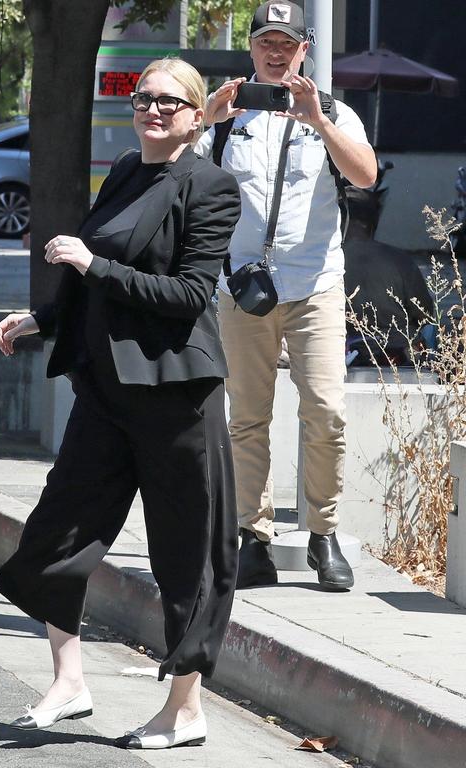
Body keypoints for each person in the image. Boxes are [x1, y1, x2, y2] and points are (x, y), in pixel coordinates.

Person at [0, 58, 241, 750]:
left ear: (196, 114)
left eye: (169, 102)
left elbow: (190, 295)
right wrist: (44, 317)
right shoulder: (128, 171)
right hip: (106, 388)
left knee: (186, 553)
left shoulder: (211, 186)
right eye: (142, 98)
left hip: (177, 396)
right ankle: (69, 680)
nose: (152, 110)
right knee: (57, 533)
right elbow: (91, 270)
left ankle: (185, 711)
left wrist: (92, 267)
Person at [196, 1, 377, 591]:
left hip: (315, 285)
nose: (276, 52)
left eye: (288, 43)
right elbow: (171, 170)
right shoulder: (227, 117)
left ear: (306, 51)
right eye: (266, 42)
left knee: (325, 412)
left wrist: (317, 122)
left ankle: (323, 534)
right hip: (244, 287)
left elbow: (366, 176)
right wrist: (205, 119)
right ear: (251, 48)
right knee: (247, 418)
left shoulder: (333, 112)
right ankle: (254, 538)